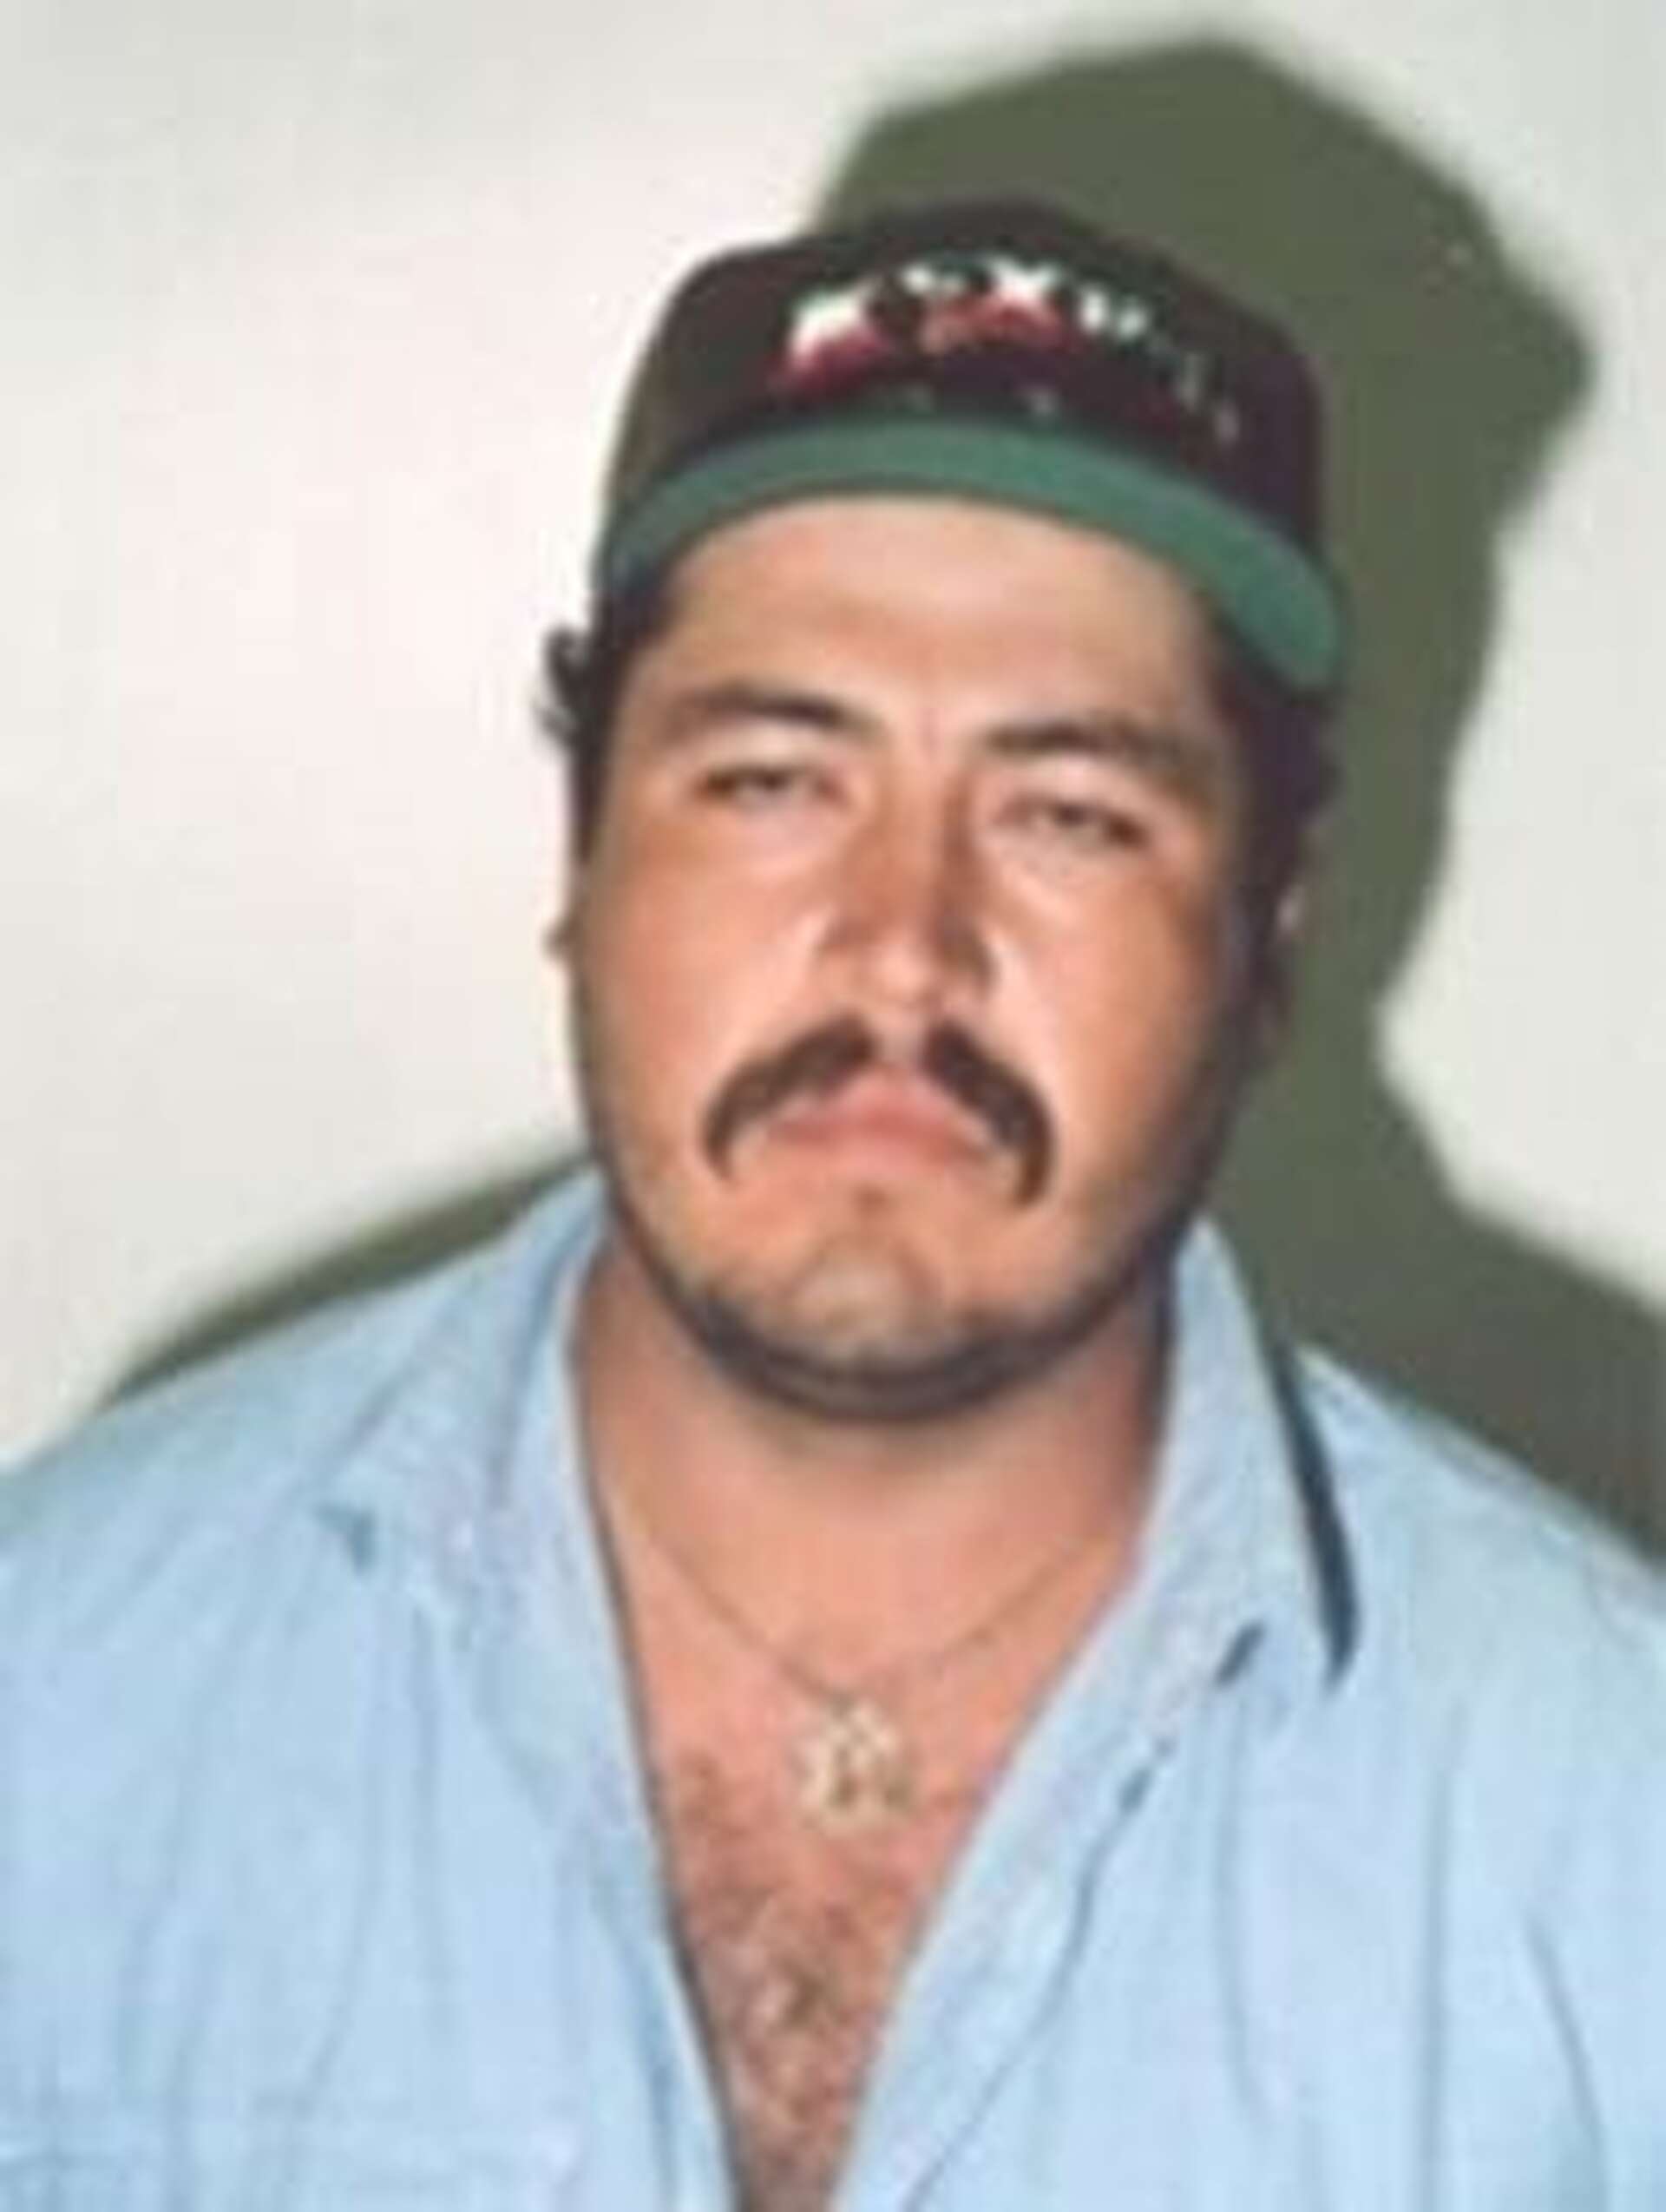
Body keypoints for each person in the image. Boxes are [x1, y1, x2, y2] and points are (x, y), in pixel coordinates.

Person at [3, 199, 1663, 2211]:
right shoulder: (57, 1690)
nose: (903, 949)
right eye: (775, 781)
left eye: (1070, 813)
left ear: (1267, 937)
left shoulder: (1606, 1818)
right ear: (584, 853)